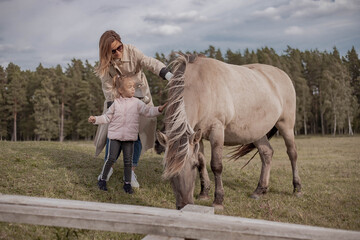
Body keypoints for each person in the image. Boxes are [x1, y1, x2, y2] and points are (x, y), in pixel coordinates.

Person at [93, 30, 172, 188]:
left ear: (122, 43)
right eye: (113, 51)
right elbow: (108, 89)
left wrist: (167, 75)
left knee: (137, 133)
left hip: (141, 98)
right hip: (118, 100)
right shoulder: (105, 66)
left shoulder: (132, 51)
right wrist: (117, 108)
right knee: (113, 132)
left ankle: (131, 171)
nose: (118, 52)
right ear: (106, 52)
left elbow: (149, 62)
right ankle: (108, 167)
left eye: (119, 47)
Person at [89, 76, 167, 193]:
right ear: (120, 90)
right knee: (110, 159)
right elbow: (106, 117)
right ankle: (102, 180)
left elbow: (147, 111)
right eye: (129, 87)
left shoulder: (137, 103)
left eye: (134, 87)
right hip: (115, 137)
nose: (133, 89)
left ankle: (127, 184)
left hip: (129, 138)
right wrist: (96, 119)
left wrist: (158, 110)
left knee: (128, 162)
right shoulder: (115, 103)